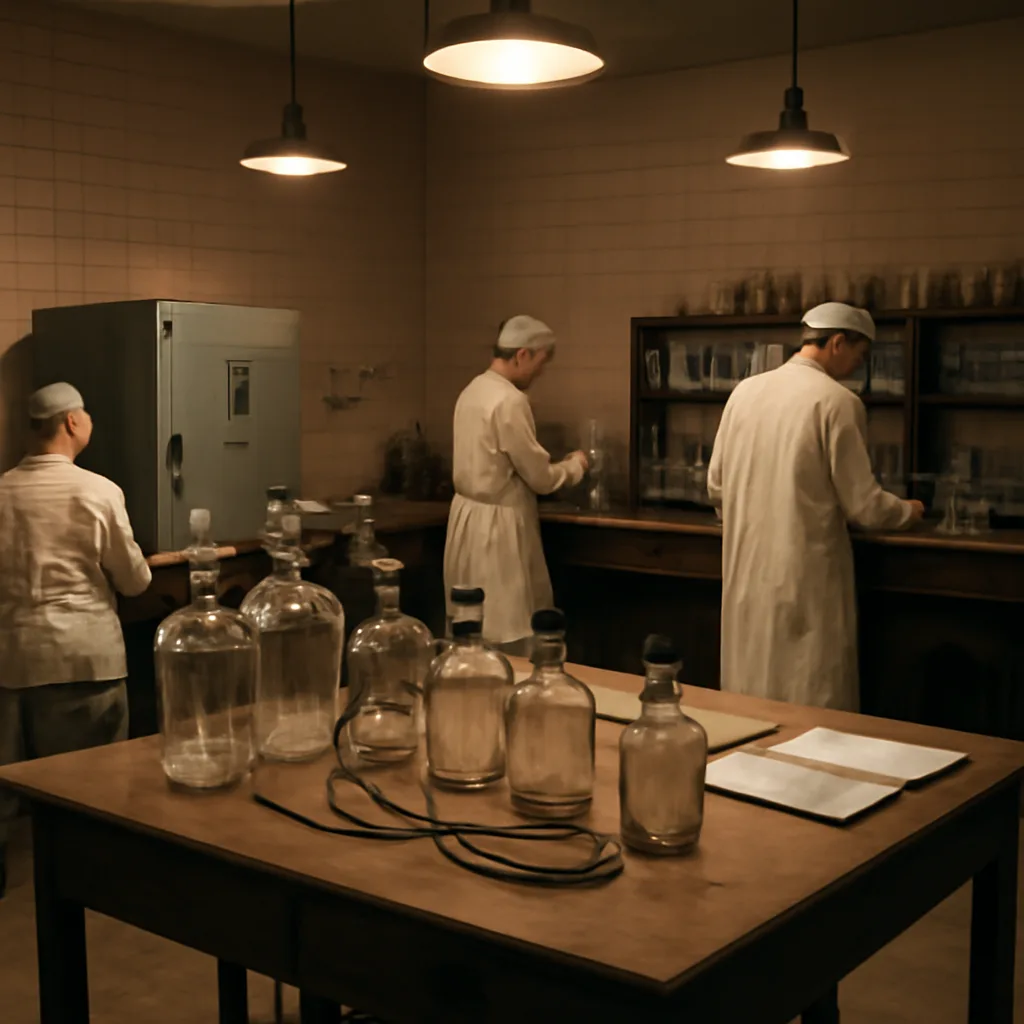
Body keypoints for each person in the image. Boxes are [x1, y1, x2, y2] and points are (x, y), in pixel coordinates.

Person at [706, 302, 924, 712]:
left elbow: (716, 487)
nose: (859, 365)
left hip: (748, 571)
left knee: (750, 697)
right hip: (805, 574)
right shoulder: (837, 401)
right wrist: (907, 511)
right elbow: (865, 506)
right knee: (811, 696)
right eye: (859, 354)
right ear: (837, 342)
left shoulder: (745, 392)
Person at [0, 383, 151, 897]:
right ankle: (92, 881)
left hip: (12, 661)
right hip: (85, 659)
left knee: (11, 787)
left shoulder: (2, 490)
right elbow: (134, 581)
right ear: (70, 422)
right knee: (92, 782)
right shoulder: (98, 491)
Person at [444, 315, 589, 651]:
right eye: (541, 362)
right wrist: (575, 466)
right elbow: (540, 477)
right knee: (507, 631)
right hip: (498, 532)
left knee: (470, 629)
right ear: (522, 354)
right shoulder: (509, 400)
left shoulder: (472, 391)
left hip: (465, 521)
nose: (541, 373)